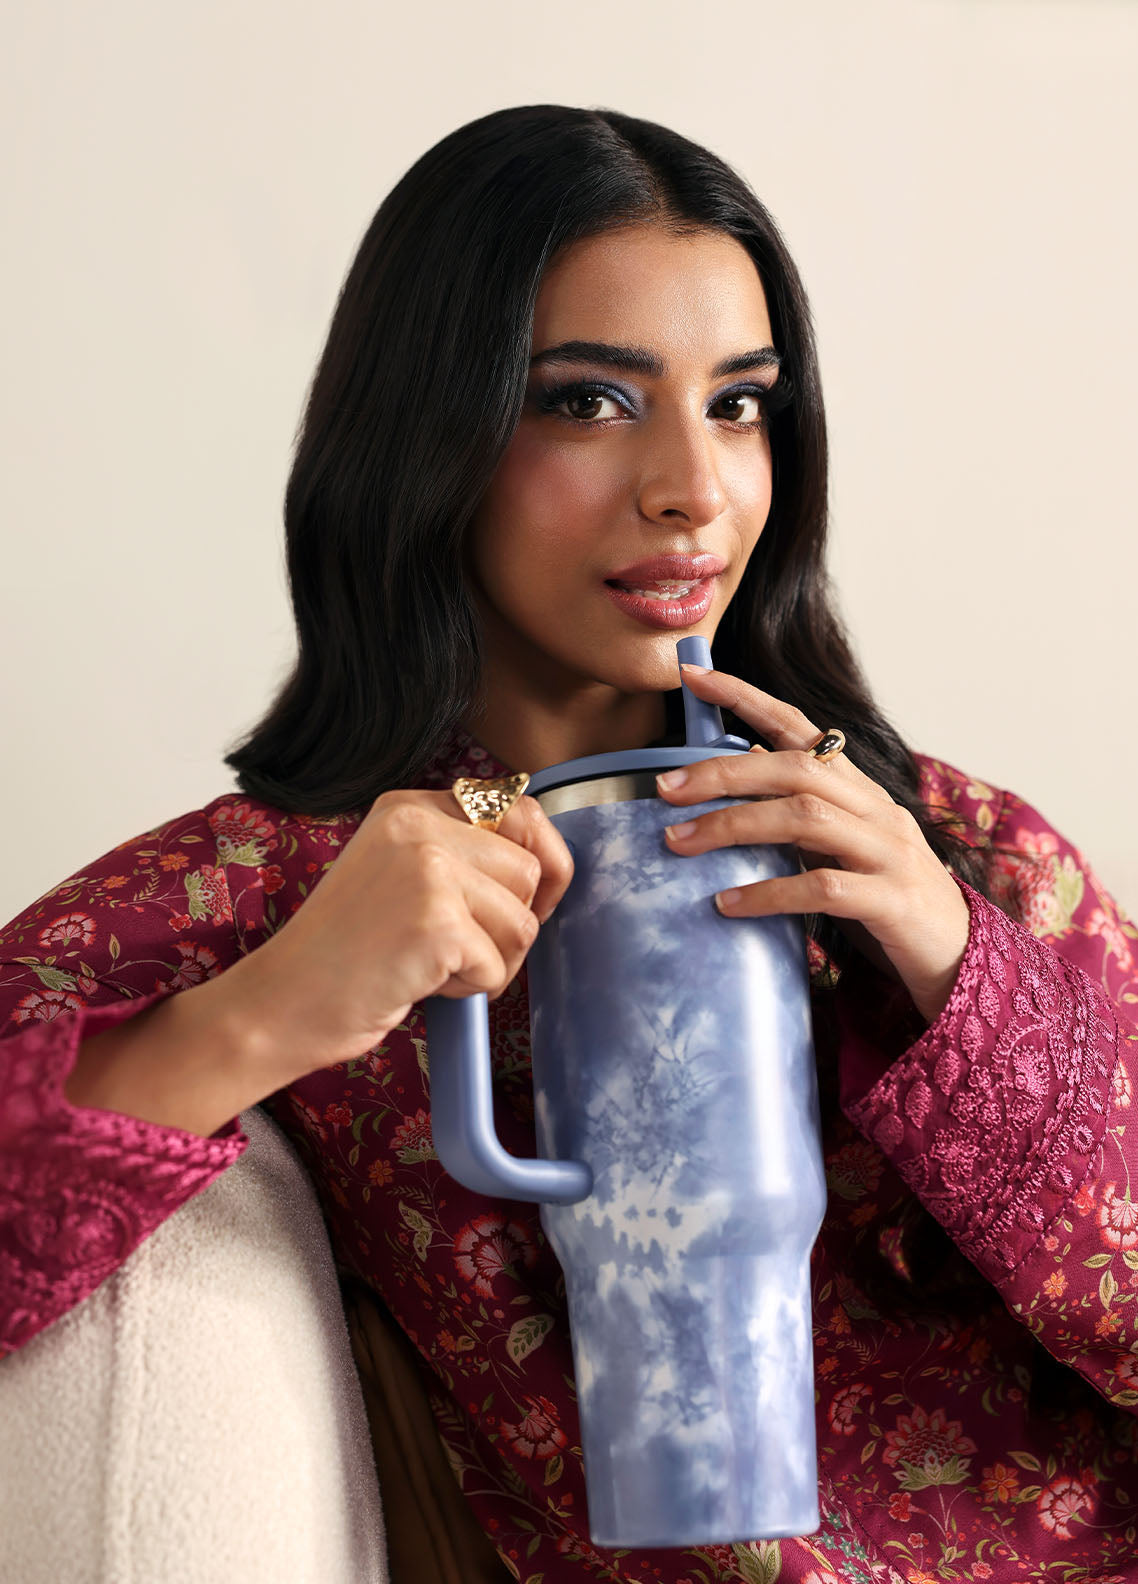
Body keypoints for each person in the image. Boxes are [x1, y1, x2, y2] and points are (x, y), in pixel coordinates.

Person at [1, 103, 1135, 1584]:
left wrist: (950, 963)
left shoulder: (957, 845)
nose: (694, 488)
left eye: (739, 405)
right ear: (430, 435)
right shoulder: (284, 886)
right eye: (590, 401)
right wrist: (270, 1013)